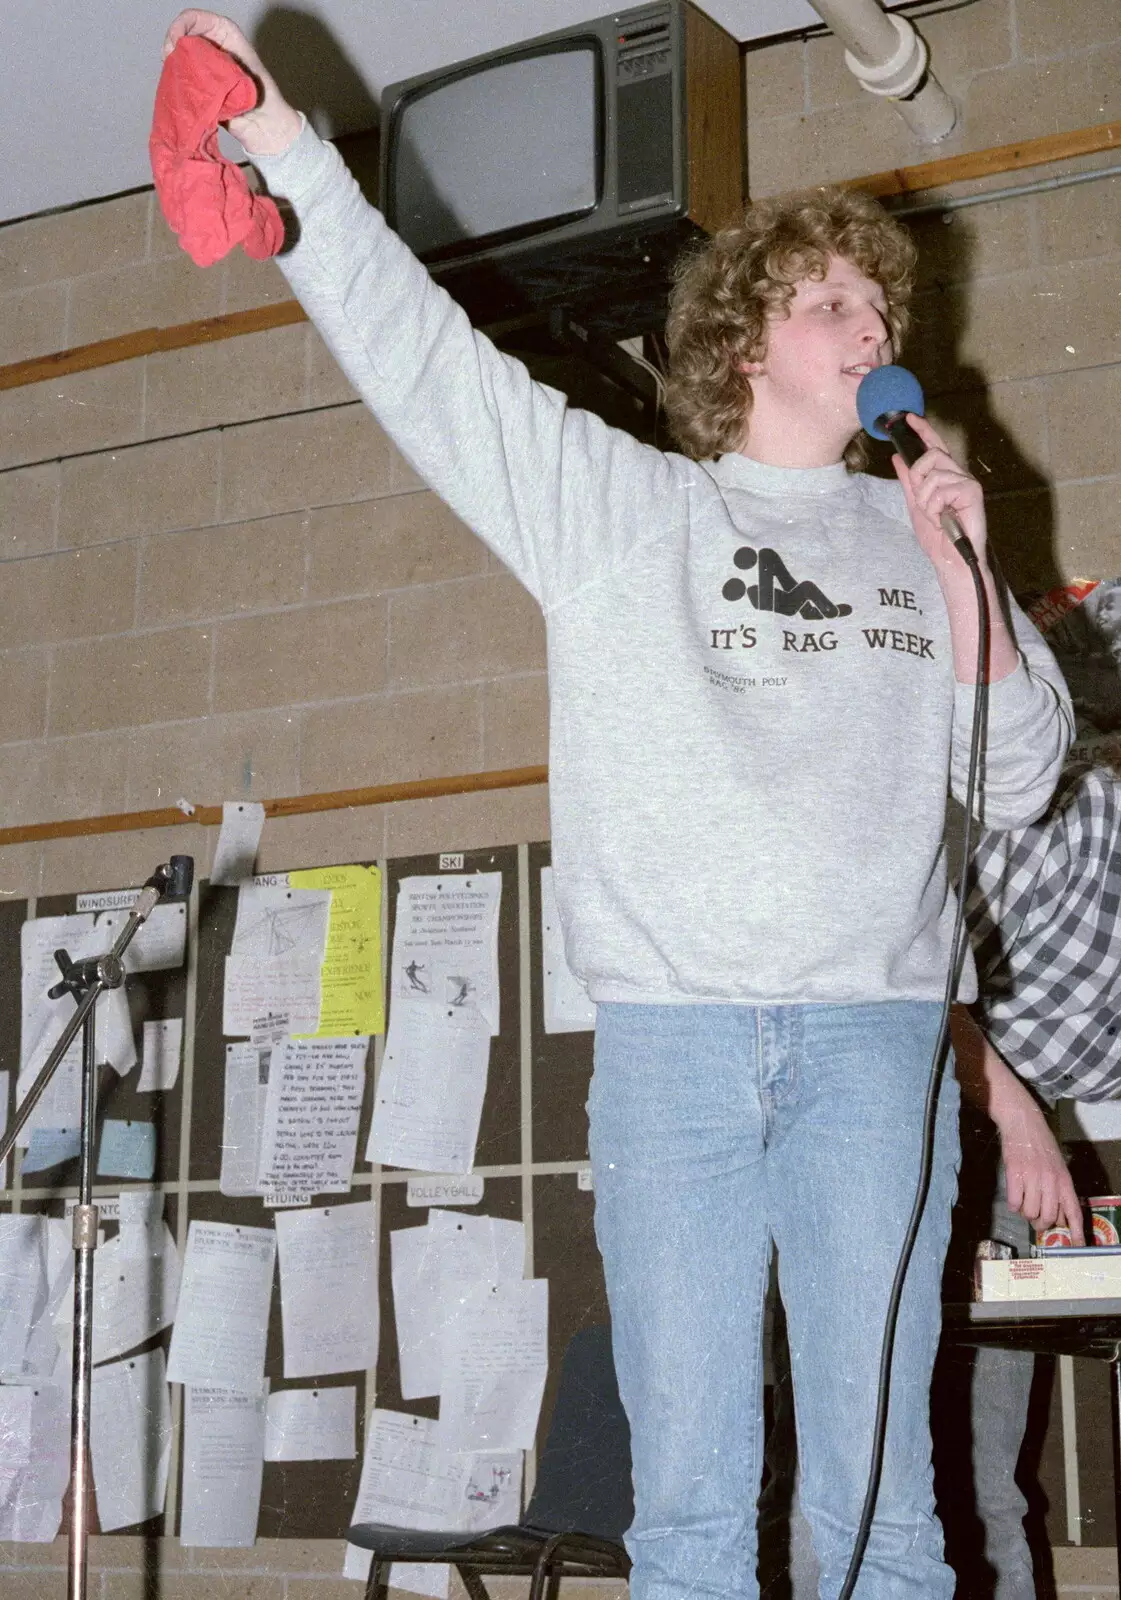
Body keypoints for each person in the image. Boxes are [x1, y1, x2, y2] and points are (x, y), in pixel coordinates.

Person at [160, 15, 1073, 1597]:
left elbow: (1018, 778)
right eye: (835, 299)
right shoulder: (625, 514)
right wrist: (291, 154)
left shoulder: (925, 543)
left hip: (873, 1045)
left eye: (883, 306)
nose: (873, 324)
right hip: (676, 1053)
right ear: (741, 340)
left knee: (887, 1518)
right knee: (695, 1512)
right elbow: (431, 367)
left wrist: (967, 575)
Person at [936, 756, 1121, 1600]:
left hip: (1012, 1132)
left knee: (984, 1484)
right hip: (913, 1118)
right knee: (862, 1473)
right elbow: (917, 991)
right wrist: (1018, 1123)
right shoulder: (1066, 816)